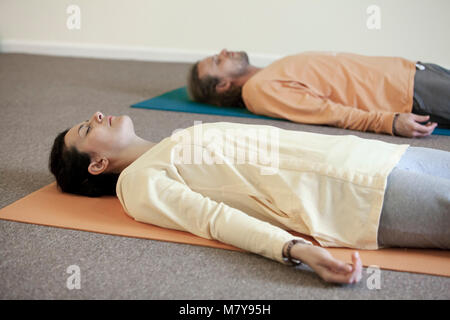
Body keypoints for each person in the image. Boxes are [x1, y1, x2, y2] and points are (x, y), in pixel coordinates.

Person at [49, 111, 450, 284]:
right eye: (88, 128)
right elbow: (214, 219)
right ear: (97, 165)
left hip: (373, 156)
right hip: (361, 196)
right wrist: (293, 249)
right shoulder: (137, 184)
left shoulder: (174, 140)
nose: (98, 115)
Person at [187, 49, 450, 137]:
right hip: (407, 92)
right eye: (217, 61)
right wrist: (389, 122)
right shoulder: (258, 91)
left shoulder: (266, 75)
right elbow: (327, 113)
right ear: (223, 85)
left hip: (411, 72)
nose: (223, 51)